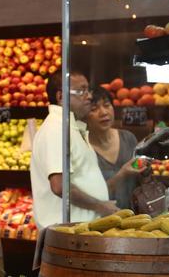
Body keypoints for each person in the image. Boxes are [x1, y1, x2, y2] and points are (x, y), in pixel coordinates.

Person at [30, 70, 119, 230]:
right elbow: (59, 186)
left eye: (88, 90)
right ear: (61, 97)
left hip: (78, 233)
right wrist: (100, 206)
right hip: (66, 235)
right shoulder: (56, 129)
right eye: (81, 91)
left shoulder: (70, 128)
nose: (89, 96)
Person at [87, 87, 146, 210]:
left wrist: (146, 168)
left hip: (133, 220)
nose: (103, 112)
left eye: (107, 105)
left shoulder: (128, 138)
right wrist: (122, 174)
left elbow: (140, 181)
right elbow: (90, 197)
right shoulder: (84, 148)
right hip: (100, 222)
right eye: (94, 109)